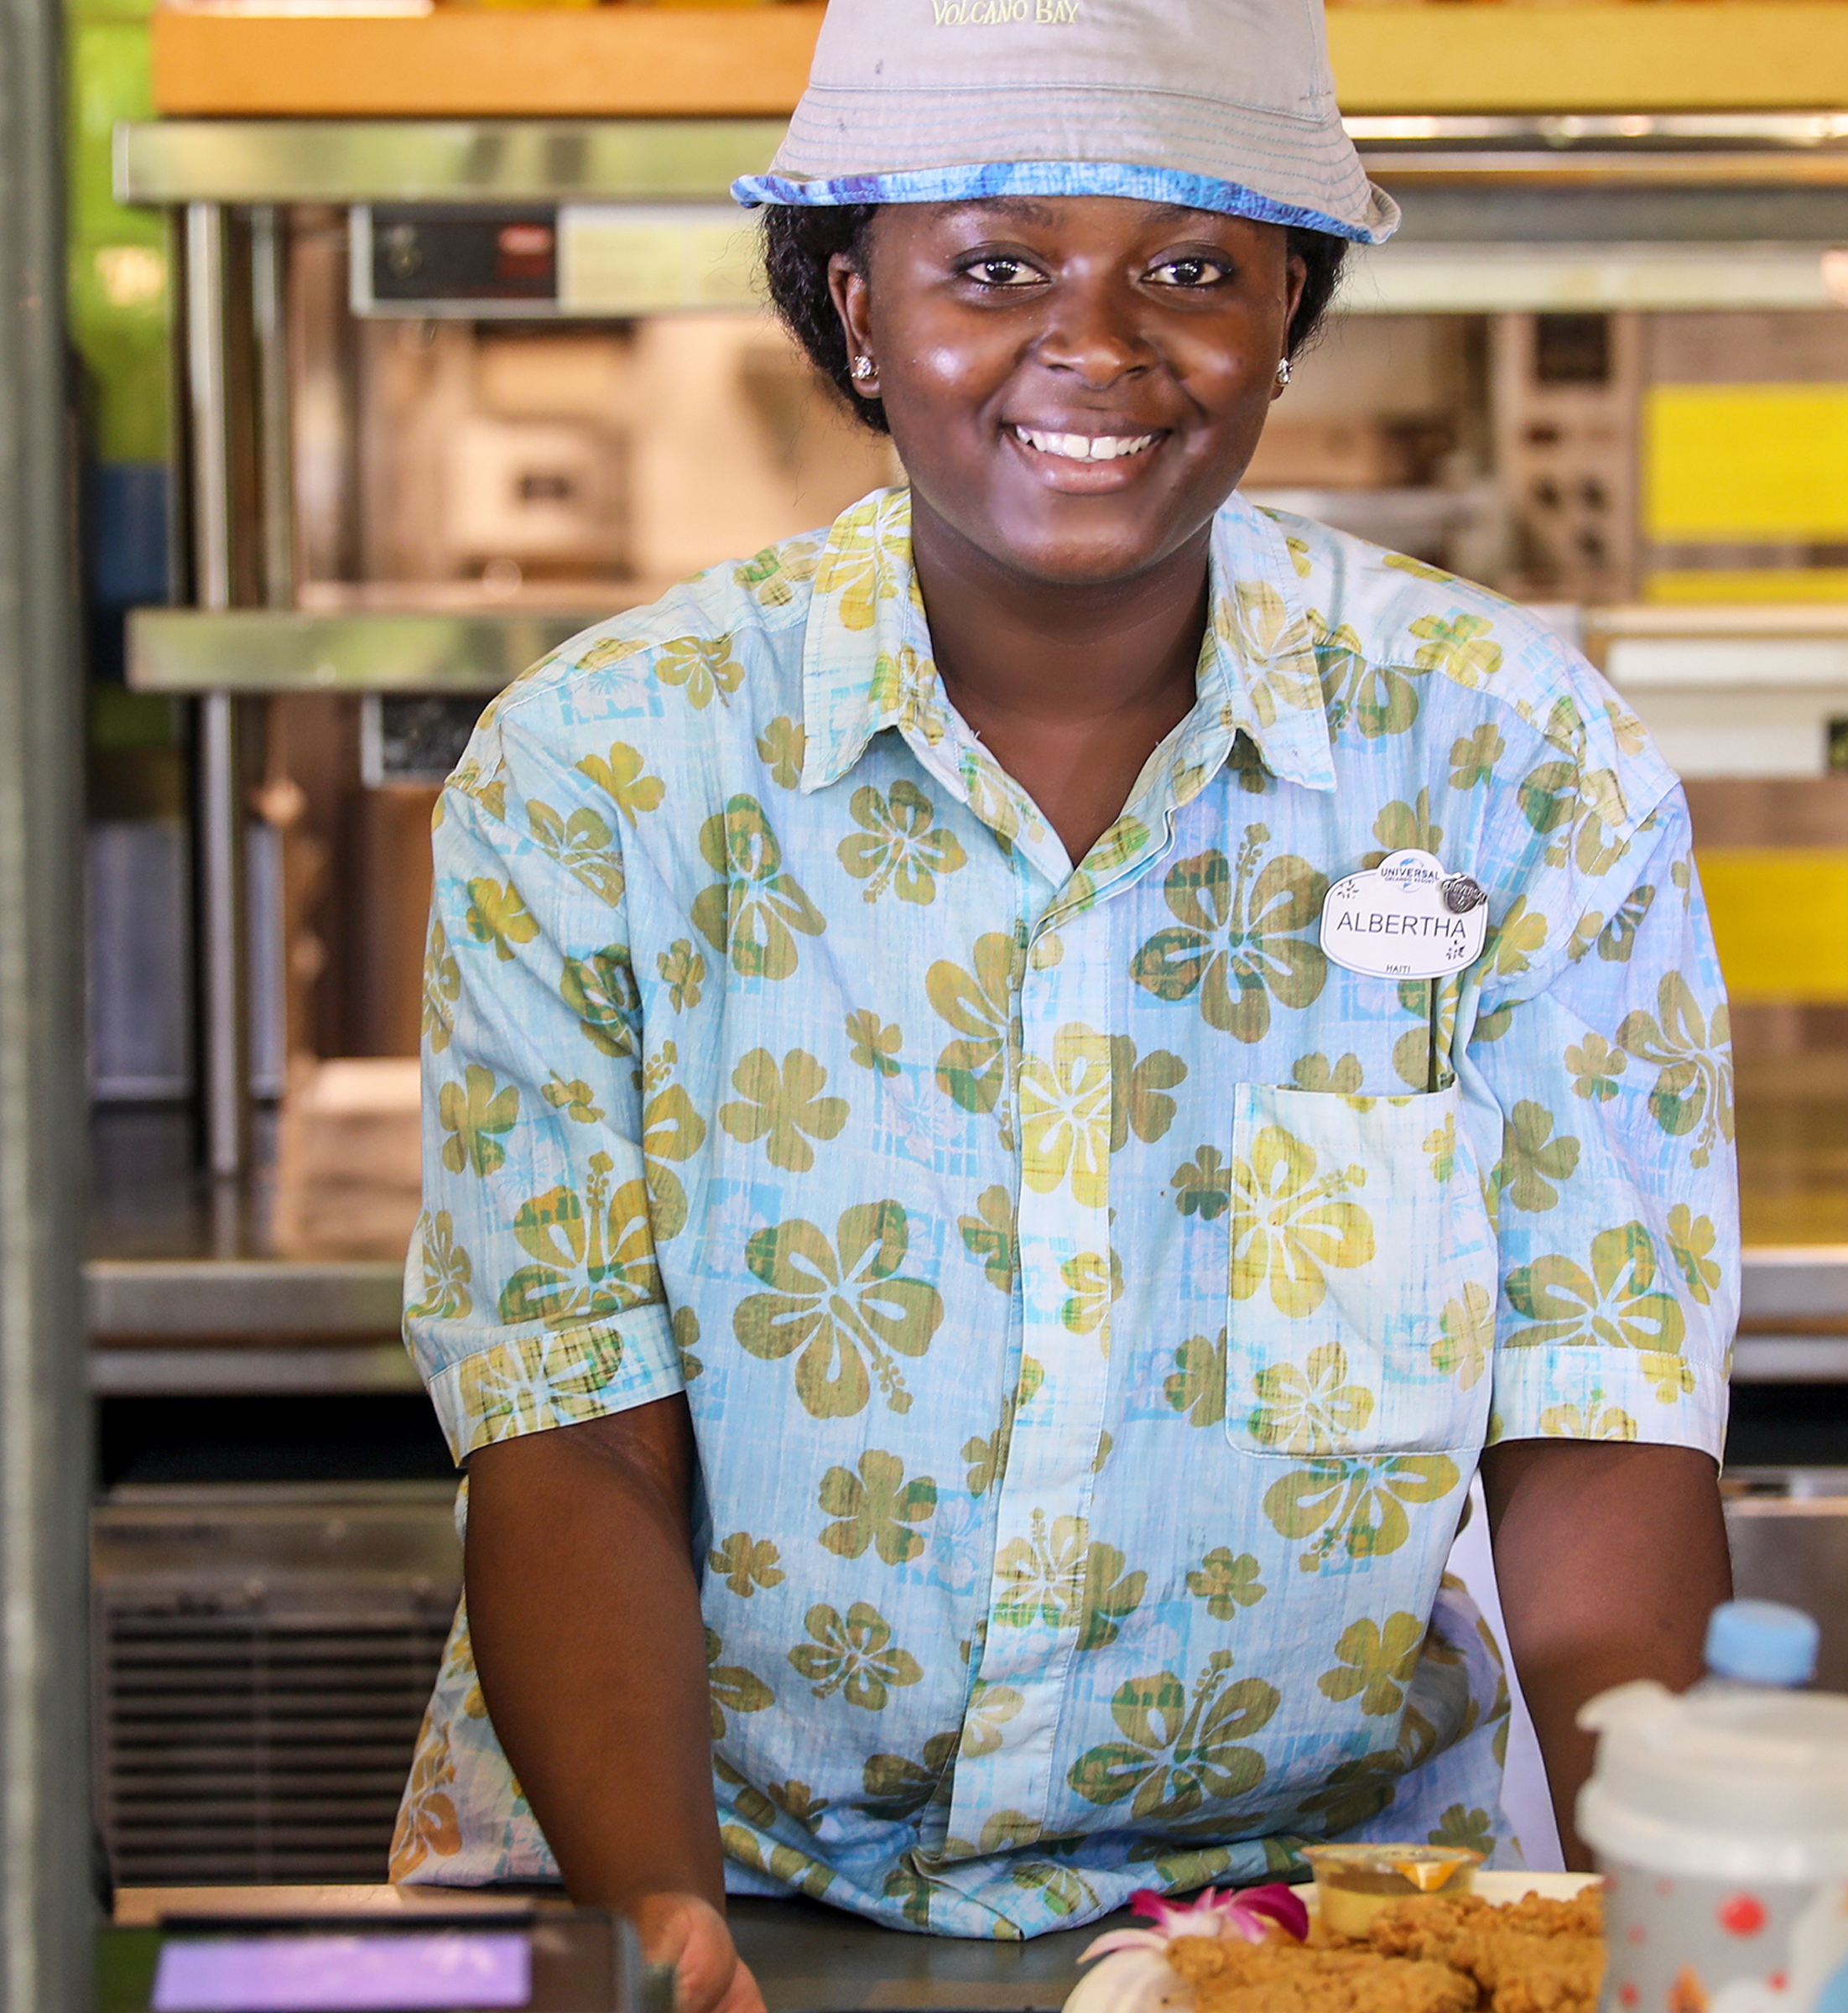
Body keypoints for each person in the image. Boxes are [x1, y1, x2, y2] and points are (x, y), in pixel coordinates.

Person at [392, 1, 1737, 2005]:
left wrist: (1674, 1894)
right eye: (996, 267)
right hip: (698, 1866)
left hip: (1305, 1931)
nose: (1096, 346)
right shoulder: (609, 769)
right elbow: (571, 1437)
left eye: (1190, 269)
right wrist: (664, 1919)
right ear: (856, 309)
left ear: (1293, 309)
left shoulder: (1518, 762)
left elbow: (1599, 1413)